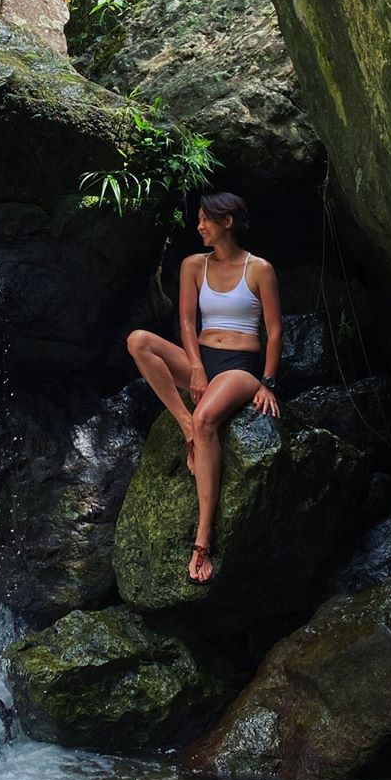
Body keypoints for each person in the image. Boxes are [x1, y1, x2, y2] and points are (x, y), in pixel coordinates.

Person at [127, 192, 282, 585]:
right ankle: (185, 428)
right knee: (138, 341)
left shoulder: (259, 269)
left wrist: (267, 382)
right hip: (203, 359)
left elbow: (275, 332)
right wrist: (195, 368)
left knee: (208, 418)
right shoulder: (193, 265)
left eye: (205, 220)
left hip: (239, 366)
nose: (199, 226)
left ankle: (203, 537)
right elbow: (186, 324)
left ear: (227, 221)